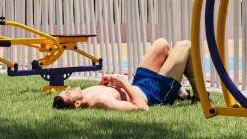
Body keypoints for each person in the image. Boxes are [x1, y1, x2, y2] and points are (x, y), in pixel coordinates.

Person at [52, 38, 193, 111]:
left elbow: (114, 92)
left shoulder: (85, 92)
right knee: (185, 45)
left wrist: (104, 84)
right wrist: (124, 83)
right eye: (68, 93)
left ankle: (179, 91)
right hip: (155, 92)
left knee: (161, 44)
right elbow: (142, 108)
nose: (68, 88)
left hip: (139, 83)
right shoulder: (102, 102)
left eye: (66, 89)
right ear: (77, 104)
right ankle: (197, 95)